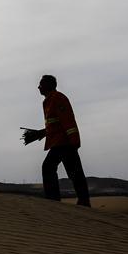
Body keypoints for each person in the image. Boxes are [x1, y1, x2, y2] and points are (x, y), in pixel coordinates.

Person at [27, 75, 91, 206]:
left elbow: (67, 121)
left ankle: (54, 201)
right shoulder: (49, 101)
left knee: (50, 168)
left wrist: (74, 142)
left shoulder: (58, 98)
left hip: (64, 143)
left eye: (41, 84)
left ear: (48, 85)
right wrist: (42, 133)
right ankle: (82, 202)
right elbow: (55, 125)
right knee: (74, 172)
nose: (38, 87)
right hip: (59, 142)